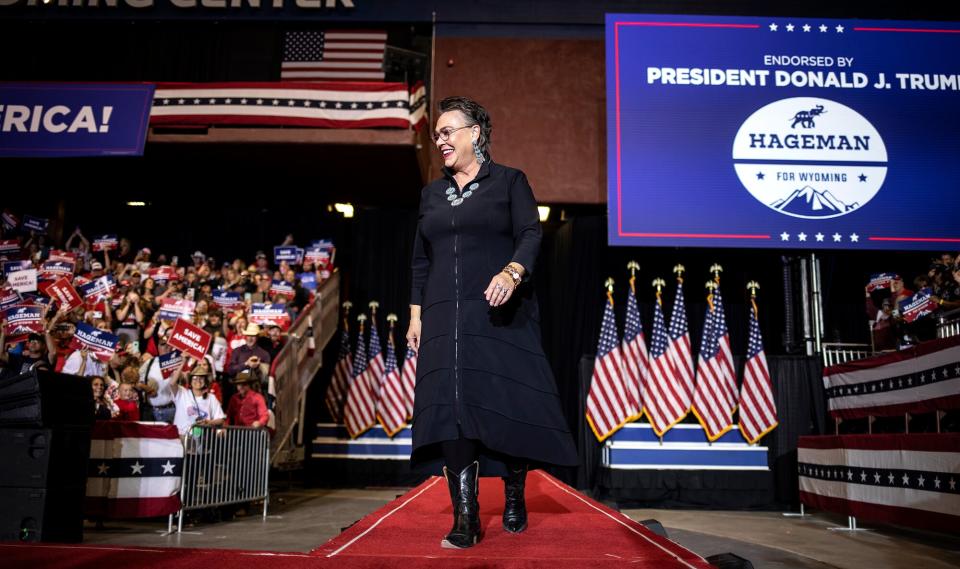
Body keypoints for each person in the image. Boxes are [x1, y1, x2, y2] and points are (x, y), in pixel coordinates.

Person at [405, 96, 577, 549]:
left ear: (475, 133)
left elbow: (530, 235)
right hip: (444, 317)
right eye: (436, 134)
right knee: (451, 410)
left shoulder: (509, 182)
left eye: (448, 131)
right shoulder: (430, 194)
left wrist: (512, 272)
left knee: (506, 403)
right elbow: (421, 261)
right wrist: (416, 315)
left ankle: (515, 493)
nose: (440, 139)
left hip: (499, 313)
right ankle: (467, 517)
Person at [172, 365, 225, 436]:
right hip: (180, 436)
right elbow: (172, 383)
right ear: (190, 381)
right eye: (194, 378)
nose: (198, 380)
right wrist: (183, 363)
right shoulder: (182, 393)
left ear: (206, 381)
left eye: (202, 378)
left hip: (199, 439)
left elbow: (220, 420)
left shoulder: (211, 398)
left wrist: (208, 422)